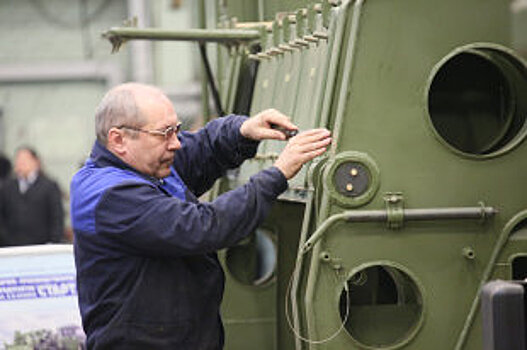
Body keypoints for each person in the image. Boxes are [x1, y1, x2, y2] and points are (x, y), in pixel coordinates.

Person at [70, 82, 331, 349]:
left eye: (176, 130)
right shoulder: (111, 195)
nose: (175, 144)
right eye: (164, 134)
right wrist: (277, 174)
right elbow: (203, 227)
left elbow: (201, 149)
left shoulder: (145, 164)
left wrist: (243, 131)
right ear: (118, 139)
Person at [0, 147, 64, 246]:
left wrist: (53, 242)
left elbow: (57, 217)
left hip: (41, 247)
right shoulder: (7, 187)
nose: (21, 163)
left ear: (36, 162)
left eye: (25, 159)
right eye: (18, 159)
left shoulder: (49, 186)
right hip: (11, 248)